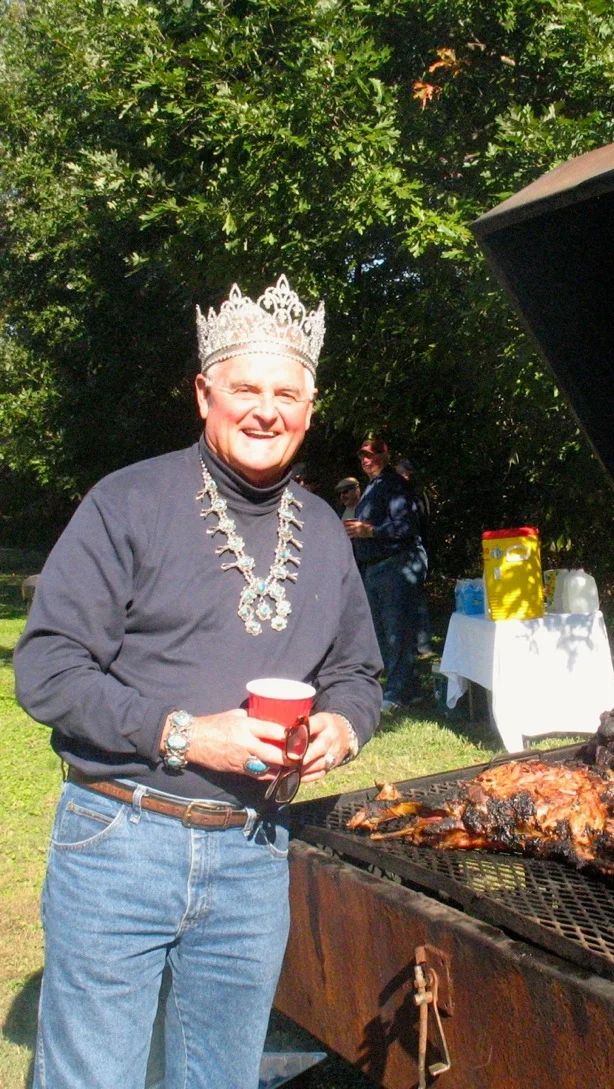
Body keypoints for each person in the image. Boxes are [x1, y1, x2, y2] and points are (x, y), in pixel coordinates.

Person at [14, 274, 383, 1089]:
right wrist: (185, 732)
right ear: (204, 394)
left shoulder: (323, 531)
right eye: (245, 387)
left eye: (286, 392)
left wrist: (345, 725)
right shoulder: (128, 501)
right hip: (121, 837)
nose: (266, 409)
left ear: (310, 408)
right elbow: (45, 666)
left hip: (253, 852)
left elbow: (358, 671)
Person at [344, 437, 425, 712]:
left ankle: (397, 692)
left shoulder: (395, 485)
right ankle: (409, 688)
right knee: (382, 631)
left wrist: (372, 531)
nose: (367, 460)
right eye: (362, 455)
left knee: (396, 630)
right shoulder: (373, 486)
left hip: (395, 564)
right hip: (374, 566)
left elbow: (407, 526)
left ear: (386, 455)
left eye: (373, 455)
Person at [393, 456, 432, 657]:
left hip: (415, 551)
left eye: (399, 472)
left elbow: (418, 526)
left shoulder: (414, 496)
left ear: (407, 474)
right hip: (412, 551)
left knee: (416, 599)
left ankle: (423, 646)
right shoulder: (407, 495)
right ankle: (415, 644)